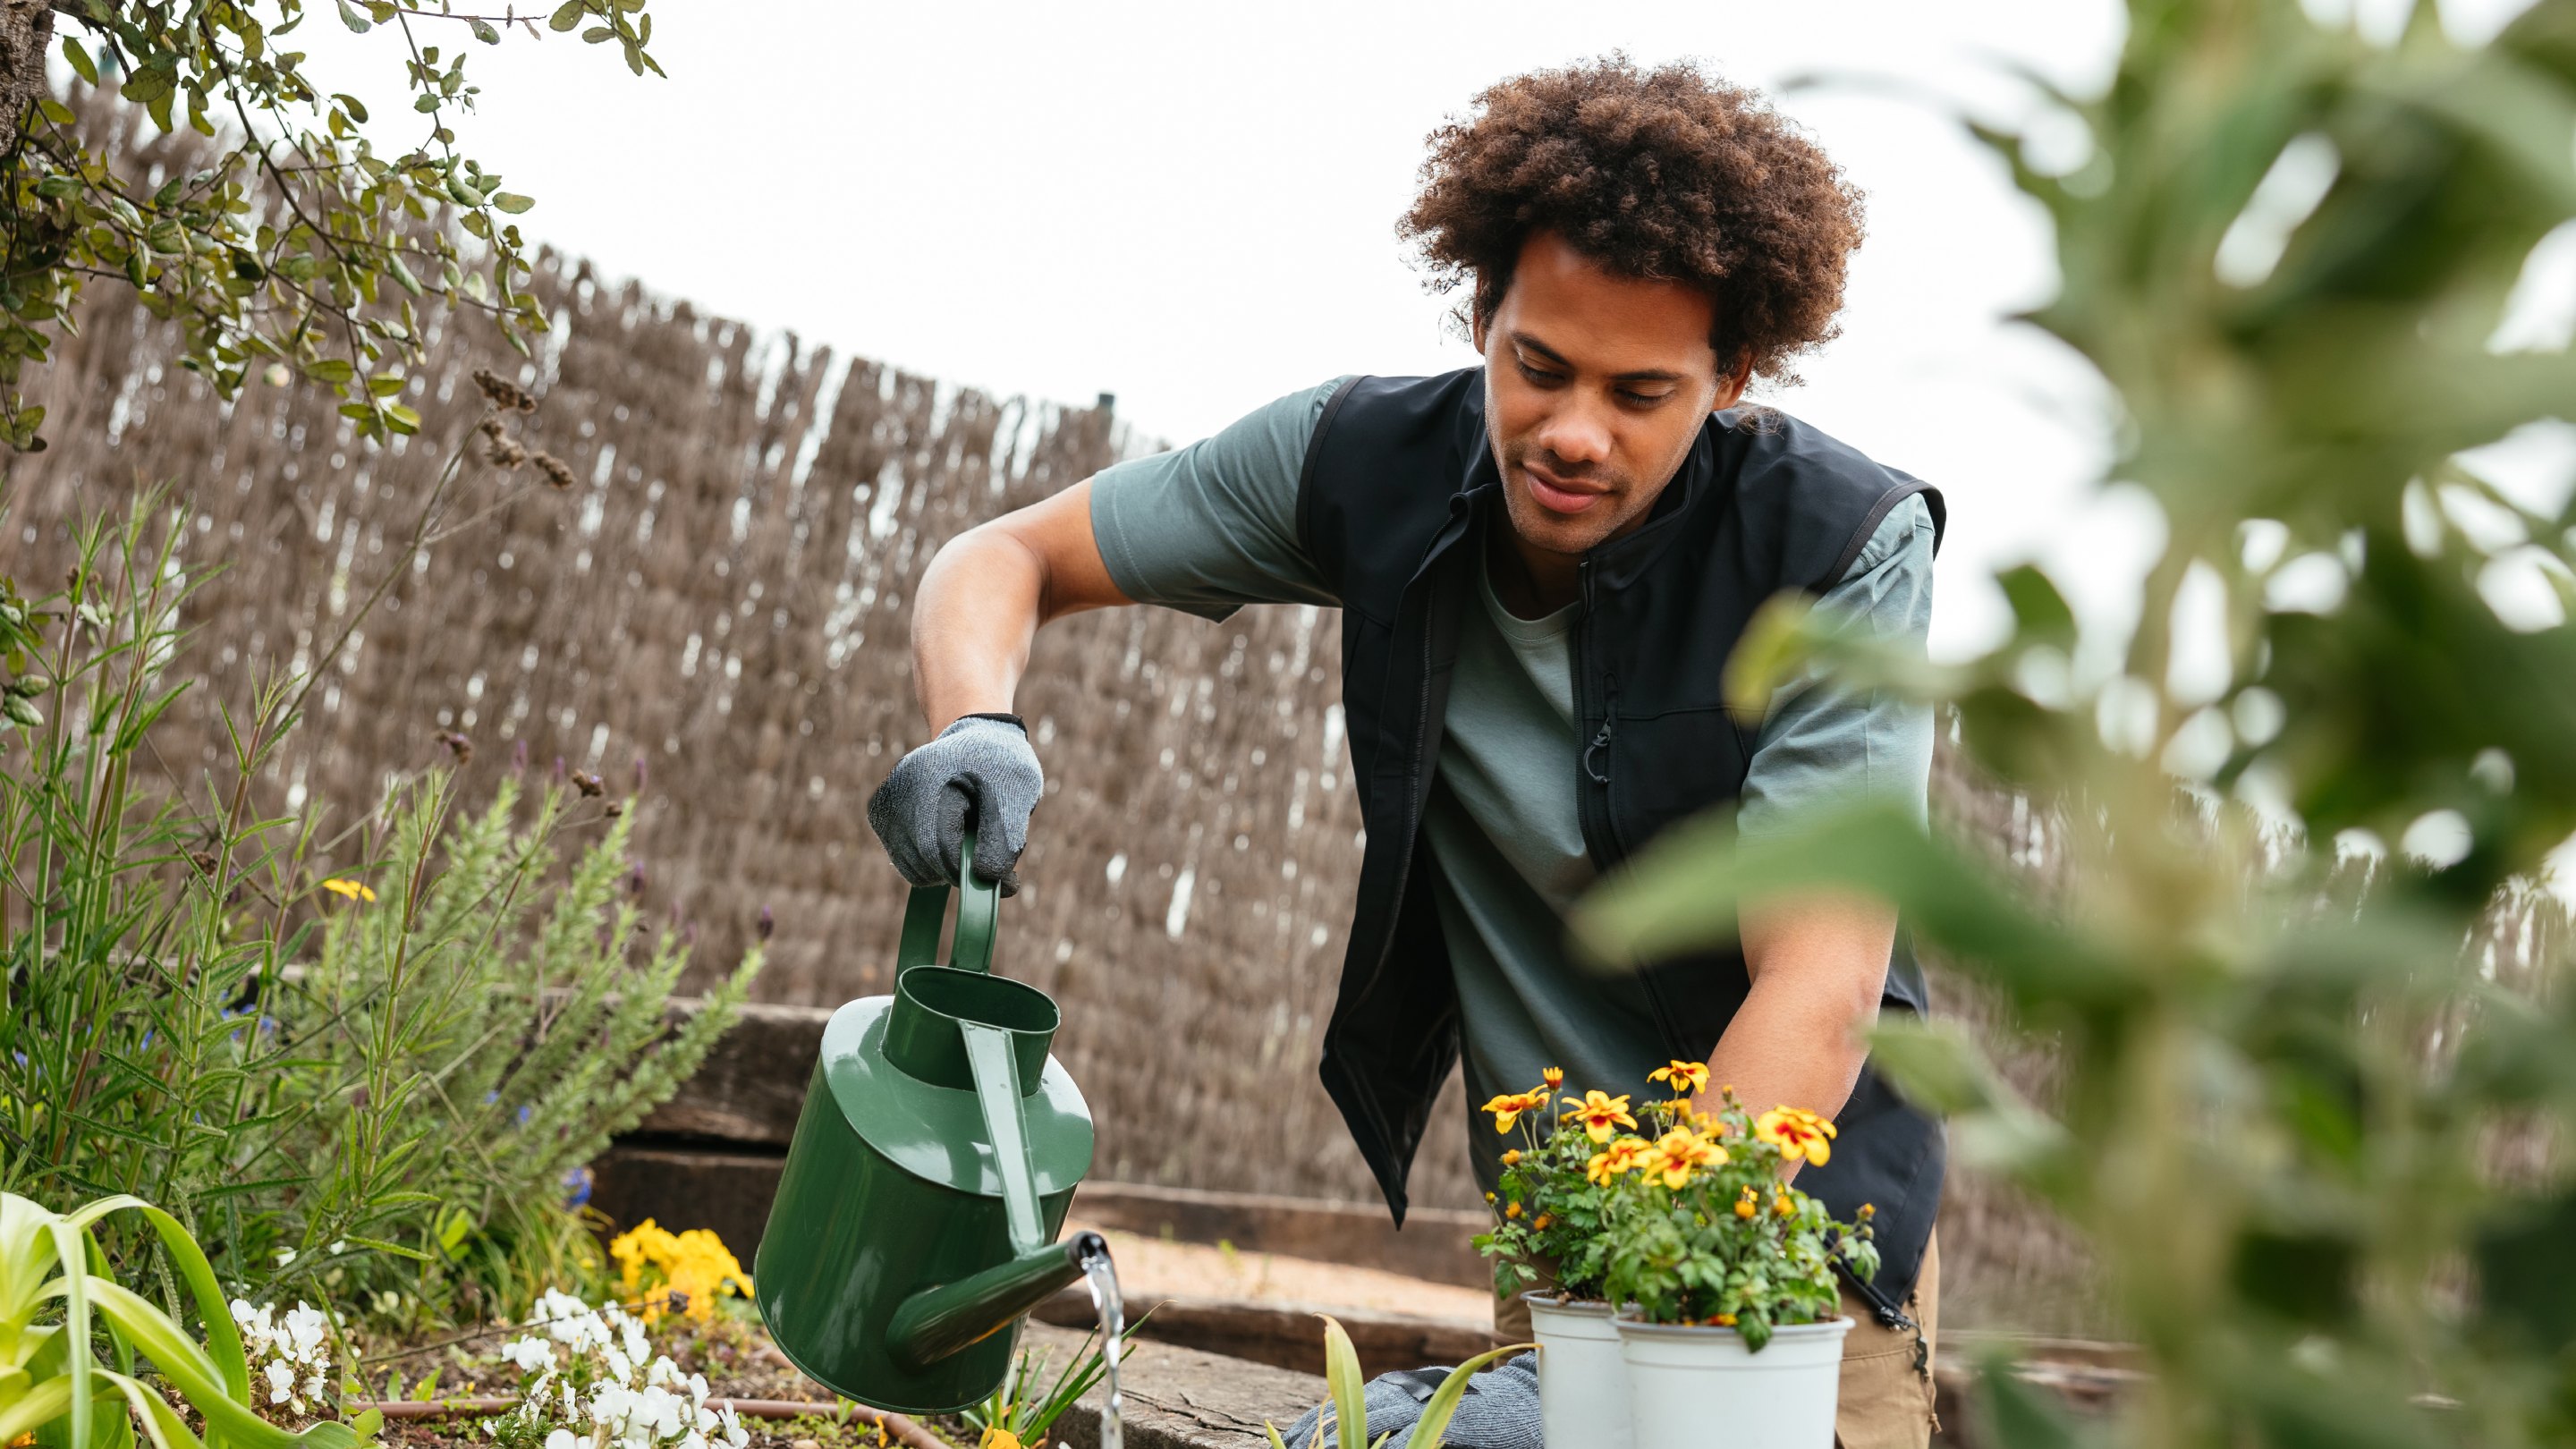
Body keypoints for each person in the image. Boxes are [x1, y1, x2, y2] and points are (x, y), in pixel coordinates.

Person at [867, 55, 1945, 1448]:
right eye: (1538, 367)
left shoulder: (1834, 551)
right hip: (1565, 1246)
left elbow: (1821, 983)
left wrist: (1632, 1325)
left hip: (1779, 1269)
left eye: (1640, 394)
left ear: (1732, 378)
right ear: (1482, 310)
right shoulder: (1364, 462)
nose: (1573, 434)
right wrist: (976, 722)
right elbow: (1003, 557)